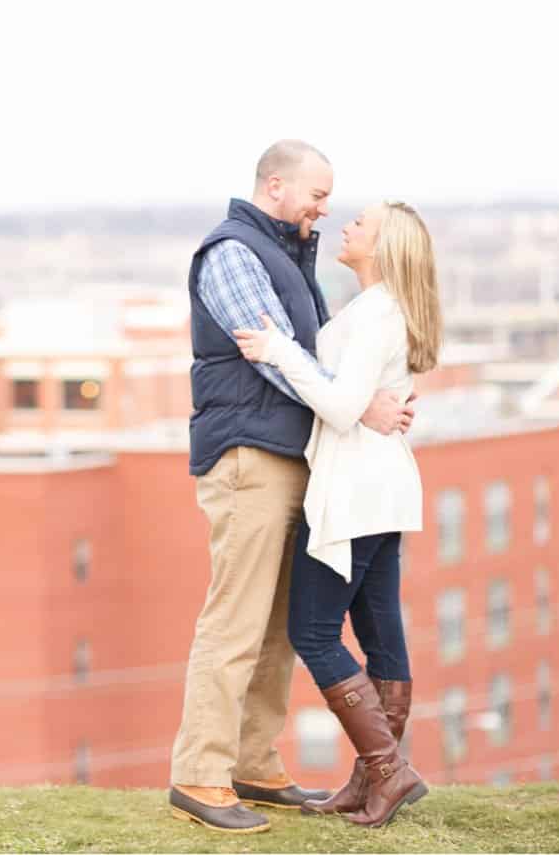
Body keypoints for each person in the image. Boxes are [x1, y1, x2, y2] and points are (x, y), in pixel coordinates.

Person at [168, 141, 416, 836]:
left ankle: (253, 763)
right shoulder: (233, 252)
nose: (325, 208)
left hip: (289, 455)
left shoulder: (287, 254)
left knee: (276, 625)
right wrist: (358, 402)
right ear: (275, 185)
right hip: (249, 458)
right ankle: (199, 771)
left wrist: (362, 392)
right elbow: (276, 349)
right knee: (235, 621)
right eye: (316, 194)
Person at [232, 199, 441, 829]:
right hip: (382, 486)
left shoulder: (378, 314)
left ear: (383, 247)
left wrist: (276, 348)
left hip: (355, 489)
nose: (346, 225)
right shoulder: (380, 309)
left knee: (315, 632)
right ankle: (373, 780)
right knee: (380, 638)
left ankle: (386, 768)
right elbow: (356, 394)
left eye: (361, 224)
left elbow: (342, 404)